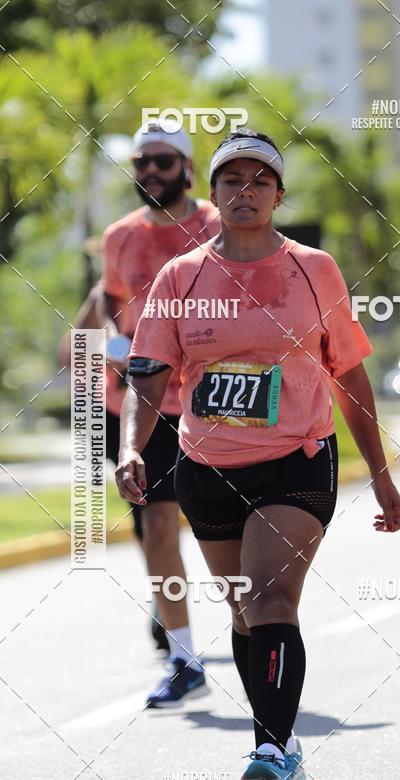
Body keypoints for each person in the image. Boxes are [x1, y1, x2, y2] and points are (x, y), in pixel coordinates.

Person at [115, 128, 400, 780]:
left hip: (297, 460)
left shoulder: (314, 269)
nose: (244, 193)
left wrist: (383, 475)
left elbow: (351, 374)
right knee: (244, 611)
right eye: (231, 181)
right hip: (208, 466)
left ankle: (271, 754)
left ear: (277, 195)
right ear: (211, 195)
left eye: (259, 182)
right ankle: (277, 744)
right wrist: (132, 447)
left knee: (272, 601)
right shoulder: (179, 278)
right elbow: (149, 377)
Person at [98, 121, 220, 706]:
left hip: (219, 406)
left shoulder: (219, 227)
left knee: (234, 533)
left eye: (163, 162)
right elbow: (112, 298)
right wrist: (109, 341)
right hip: (143, 409)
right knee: (159, 527)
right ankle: (184, 656)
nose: (150, 172)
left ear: (188, 168)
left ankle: (261, 635)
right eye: (141, 162)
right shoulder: (119, 236)